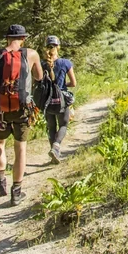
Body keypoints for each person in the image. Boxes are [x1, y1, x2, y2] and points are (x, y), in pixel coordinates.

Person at [0, 24, 43, 205]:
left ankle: (0, 183)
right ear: (23, 38)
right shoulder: (31, 54)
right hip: (23, 108)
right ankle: (16, 192)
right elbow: (39, 77)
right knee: (20, 147)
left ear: (7, 38)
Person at [41, 35, 77, 164]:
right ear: (58, 47)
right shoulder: (65, 63)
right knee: (63, 125)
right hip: (61, 99)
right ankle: (56, 146)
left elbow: (37, 81)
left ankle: (53, 153)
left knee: (51, 127)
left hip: (47, 100)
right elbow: (73, 83)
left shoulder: (41, 63)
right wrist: (62, 85)